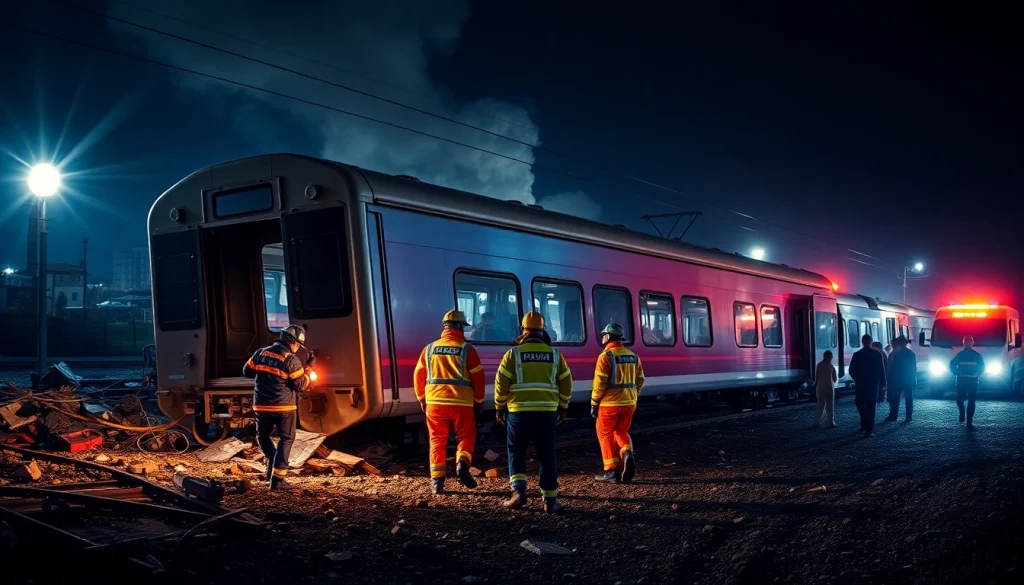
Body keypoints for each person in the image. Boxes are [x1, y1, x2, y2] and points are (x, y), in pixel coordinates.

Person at [494, 311, 573, 514]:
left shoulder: (513, 354)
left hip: (519, 413)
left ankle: (518, 493)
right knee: (546, 454)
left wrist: (499, 407)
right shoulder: (555, 355)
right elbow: (566, 382)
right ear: (542, 330)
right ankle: (550, 501)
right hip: (546, 412)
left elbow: (501, 382)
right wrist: (563, 406)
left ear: (524, 330)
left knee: (516, 451)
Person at [413, 310, 486, 495]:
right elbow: (478, 378)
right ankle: (462, 464)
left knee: (437, 440)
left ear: (444, 327)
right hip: (461, 402)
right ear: (460, 327)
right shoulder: (467, 349)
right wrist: (478, 401)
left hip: (435, 402)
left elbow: (418, 375)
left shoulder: (429, 349)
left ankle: (437, 482)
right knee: (466, 436)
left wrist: (422, 398)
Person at [242, 325, 313, 490]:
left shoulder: (260, 353)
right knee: (286, 439)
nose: (297, 348)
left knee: (262, 436)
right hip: (283, 408)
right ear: (292, 342)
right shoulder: (290, 360)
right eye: (297, 344)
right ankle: (278, 480)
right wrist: (308, 371)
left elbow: (247, 372)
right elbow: (301, 386)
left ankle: (272, 461)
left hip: (260, 405)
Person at [591, 323, 645, 484]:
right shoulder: (633, 356)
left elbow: (600, 383)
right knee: (621, 431)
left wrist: (594, 402)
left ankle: (611, 471)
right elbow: (640, 380)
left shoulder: (605, 356)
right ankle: (627, 452)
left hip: (609, 403)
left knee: (605, 433)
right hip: (629, 402)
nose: (602, 338)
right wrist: (634, 396)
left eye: (603, 335)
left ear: (608, 337)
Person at [848, 334, 886, 437]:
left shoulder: (857, 354)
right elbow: (881, 370)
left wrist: (857, 379)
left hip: (860, 385)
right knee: (871, 406)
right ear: (871, 342)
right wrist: (883, 383)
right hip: (873, 384)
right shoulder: (877, 354)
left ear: (862, 342)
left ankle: (864, 424)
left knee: (860, 404)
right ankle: (869, 429)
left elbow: (851, 370)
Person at [950, 336, 985, 429]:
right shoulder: (962, 355)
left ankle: (969, 421)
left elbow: (983, 367)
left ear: (972, 343)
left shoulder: (973, 355)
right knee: (963, 400)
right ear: (964, 344)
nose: (968, 344)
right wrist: (978, 372)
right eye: (966, 343)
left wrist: (956, 372)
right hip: (967, 380)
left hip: (968, 381)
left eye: (969, 342)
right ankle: (964, 414)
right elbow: (952, 364)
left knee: (969, 401)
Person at [885, 335, 917, 422]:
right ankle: (908, 416)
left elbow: (890, 367)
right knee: (908, 398)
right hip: (908, 379)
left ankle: (893, 415)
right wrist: (914, 379)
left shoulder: (895, 353)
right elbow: (914, 368)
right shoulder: (911, 354)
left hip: (896, 379)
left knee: (895, 398)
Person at [814, 350, 838, 427]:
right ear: (831, 357)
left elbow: (816, 377)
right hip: (829, 387)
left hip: (820, 387)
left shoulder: (819, 365)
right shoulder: (831, 366)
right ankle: (831, 421)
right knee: (830, 405)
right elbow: (835, 379)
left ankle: (818, 421)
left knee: (820, 405)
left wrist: (816, 386)